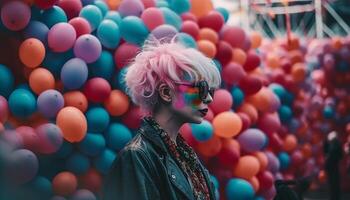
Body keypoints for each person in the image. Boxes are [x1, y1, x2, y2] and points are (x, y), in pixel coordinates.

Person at [102, 37, 221, 200]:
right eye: (201, 89)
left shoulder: (185, 155)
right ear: (166, 93)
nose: (209, 98)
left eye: (210, 91)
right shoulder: (137, 157)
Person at [323, 131, 343, 200]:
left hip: (334, 166)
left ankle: (335, 197)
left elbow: (340, 155)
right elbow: (325, 151)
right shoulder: (328, 144)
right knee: (332, 183)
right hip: (330, 167)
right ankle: (333, 197)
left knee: (335, 184)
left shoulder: (337, 145)